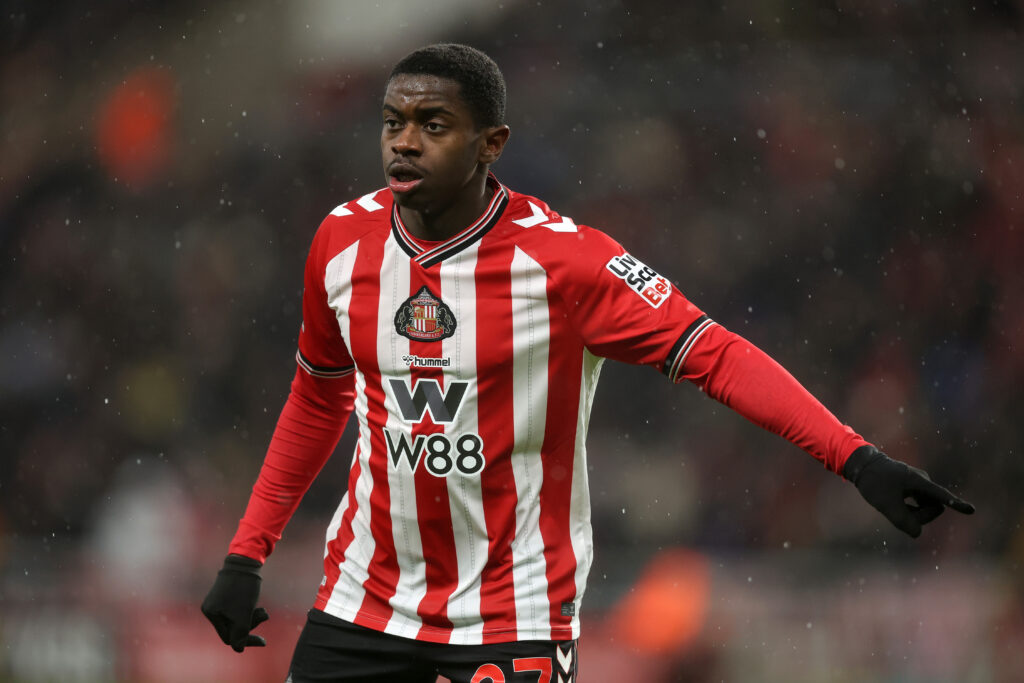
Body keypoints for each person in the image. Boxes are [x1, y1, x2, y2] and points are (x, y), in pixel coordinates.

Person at [201, 43, 974, 682]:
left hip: (510, 616)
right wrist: (246, 552)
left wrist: (855, 456)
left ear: (490, 143)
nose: (403, 141)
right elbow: (317, 397)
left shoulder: (565, 262)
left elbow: (713, 354)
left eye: (432, 124)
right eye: (393, 121)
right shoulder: (341, 241)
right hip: (360, 605)